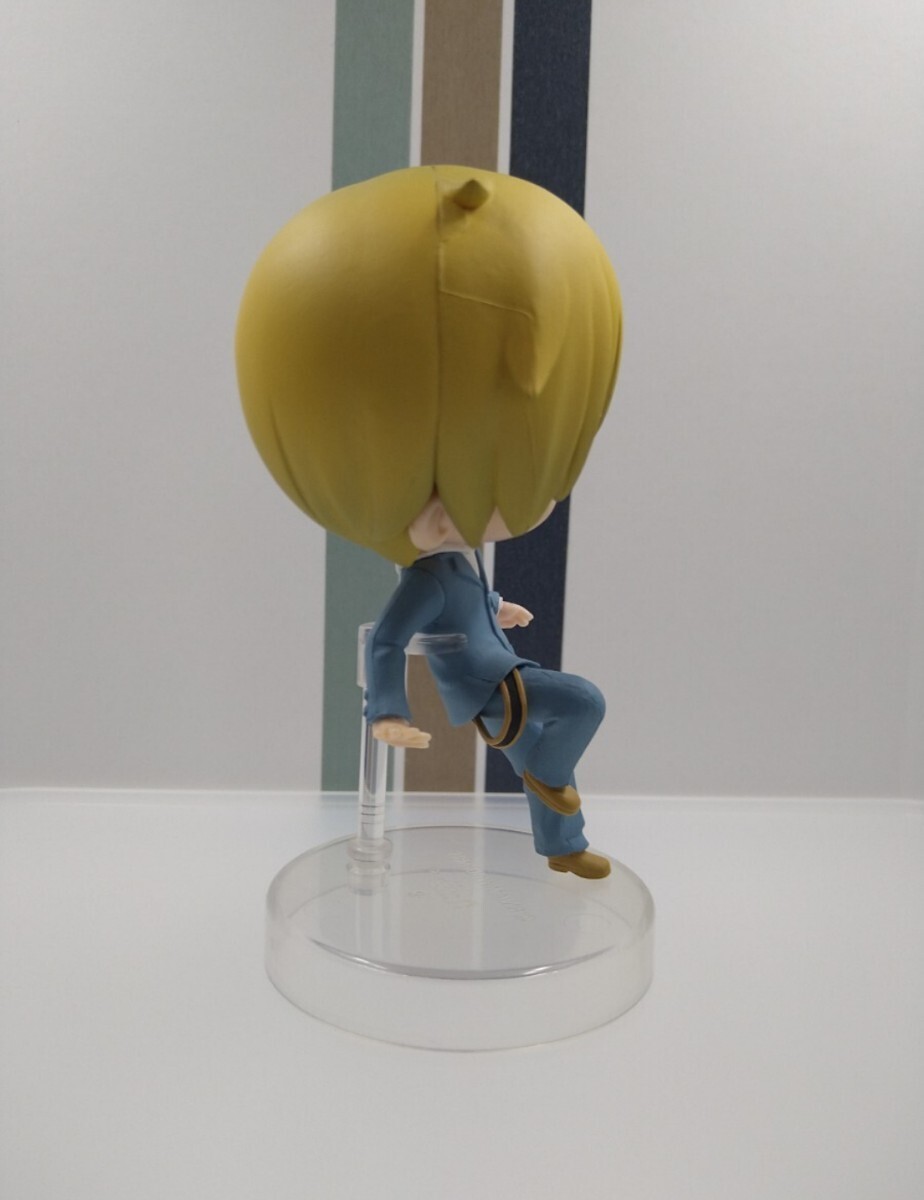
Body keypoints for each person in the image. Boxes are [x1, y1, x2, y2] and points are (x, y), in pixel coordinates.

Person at [236, 164, 622, 877]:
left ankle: (562, 846)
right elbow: (387, 640)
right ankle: (548, 780)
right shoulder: (429, 577)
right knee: (583, 704)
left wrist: (497, 608)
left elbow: (460, 603)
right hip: (489, 689)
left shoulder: (455, 566)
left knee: (545, 748)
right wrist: (385, 711)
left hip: (501, 671)